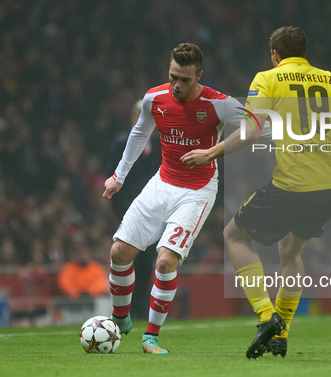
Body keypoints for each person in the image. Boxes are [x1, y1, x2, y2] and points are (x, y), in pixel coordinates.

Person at [181, 26, 331, 359]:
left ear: (275, 55)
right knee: (290, 251)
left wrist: (209, 153)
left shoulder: (268, 78)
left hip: (291, 187)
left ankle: (266, 317)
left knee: (234, 236)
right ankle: (282, 334)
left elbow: (250, 133)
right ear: (303, 53)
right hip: (328, 191)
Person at [102, 43, 245, 354]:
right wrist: (119, 177)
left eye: (184, 79)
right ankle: (120, 316)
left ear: (199, 76)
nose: (177, 85)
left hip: (197, 191)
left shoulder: (219, 104)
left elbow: (257, 127)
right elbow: (138, 134)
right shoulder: (155, 98)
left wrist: (212, 152)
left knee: (165, 261)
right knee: (118, 252)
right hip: (162, 183)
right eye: (173, 77)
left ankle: (150, 336)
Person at [106, 99, 161, 321]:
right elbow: (113, 174)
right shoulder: (121, 143)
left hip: (153, 212)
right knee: (127, 258)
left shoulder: (158, 145)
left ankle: (139, 309)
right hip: (129, 210)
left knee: (147, 261)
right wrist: (120, 210)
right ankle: (123, 309)